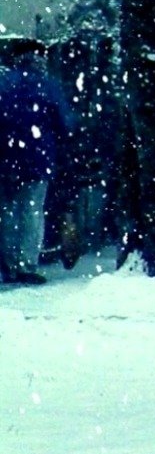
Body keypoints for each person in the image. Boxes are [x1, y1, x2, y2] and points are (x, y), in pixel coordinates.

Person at [0, 37, 74, 286]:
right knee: (32, 211)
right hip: (38, 158)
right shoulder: (48, 86)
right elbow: (66, 124)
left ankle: (8, 264)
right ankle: (26, 264)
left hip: (5, 158)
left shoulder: (3, 83)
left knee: (8, 211)